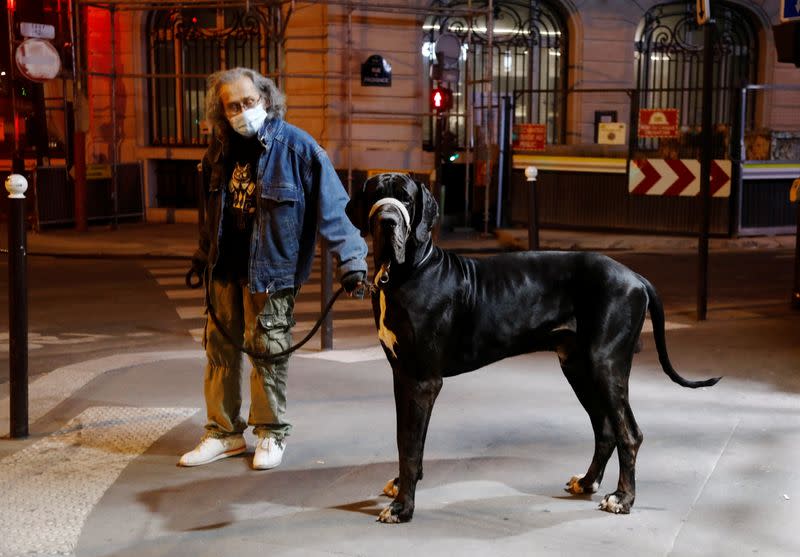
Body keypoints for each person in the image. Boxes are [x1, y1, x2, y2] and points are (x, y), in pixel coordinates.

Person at [179, 67, 368, 470]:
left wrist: (352, 260)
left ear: (265, 98)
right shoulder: (217, 152)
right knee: (220, 351)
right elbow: (211, 217)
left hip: (271, 271)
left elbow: (335, 210)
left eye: (249, 102)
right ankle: (222, 433)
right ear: (221, 112)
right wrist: (201, 257)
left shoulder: (299, 149)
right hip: (224, 269)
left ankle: (270, 433)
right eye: (233, 106)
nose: (243, 111)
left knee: (268, 348)